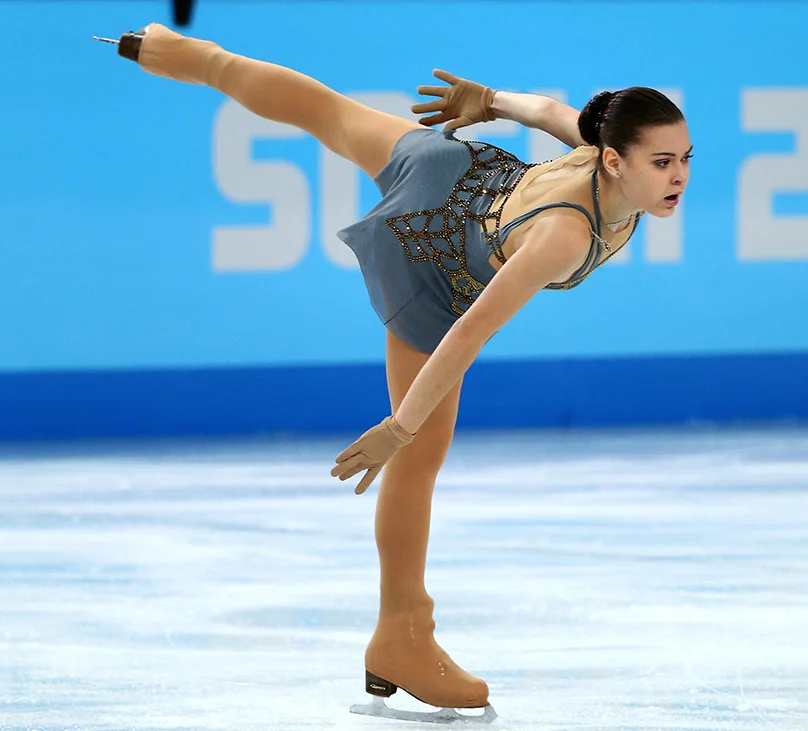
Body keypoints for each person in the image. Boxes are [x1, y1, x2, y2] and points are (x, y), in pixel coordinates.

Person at [100, 23, 691, 721]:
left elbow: (549, 112)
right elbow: (468, 332)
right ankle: (401, 634)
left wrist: (489, 100)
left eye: (684, 158)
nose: (678, 176)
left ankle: (184, 54)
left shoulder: (600, 152)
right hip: (432, 255)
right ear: (616, 161)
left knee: (328, 112)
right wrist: (399, 426)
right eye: (661, 162)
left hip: (456, 170)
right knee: (418, 458)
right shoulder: (563, 235)